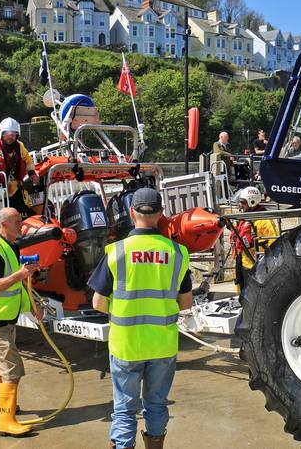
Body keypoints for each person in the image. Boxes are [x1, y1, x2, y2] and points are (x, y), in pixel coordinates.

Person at [87, 188, 192, 449]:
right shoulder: (178, 253)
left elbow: (98, 303)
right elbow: (186, 303)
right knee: (156, 403)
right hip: (162, 345)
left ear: (132, 212)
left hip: (126, 345)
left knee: (124, 408)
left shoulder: (116, 252)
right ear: (161, 214)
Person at [0, 207, 42, 437]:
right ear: (3, 225)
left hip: (5, 316)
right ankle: (6, 421)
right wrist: (22, 274)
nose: (21, 224)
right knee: (12, 370)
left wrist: (35, 304)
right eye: (16, 221)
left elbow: (18, 284)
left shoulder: (11, 247)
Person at [0, 118, 40, 218]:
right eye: (7, 135)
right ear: (1, 135)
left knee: (25, 216)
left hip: (17, 190)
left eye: (13, 135)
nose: (10, 137)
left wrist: (31, 173)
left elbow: (28, 161)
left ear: (17, 135)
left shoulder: (20, 146)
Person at [229, 187, 278, 293]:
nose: (240, 205)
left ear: (252, 202)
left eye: (243, 202)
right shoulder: (243, 218)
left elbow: (274, 243)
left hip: (256, 266)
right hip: (242, 264)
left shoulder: (265, 221)